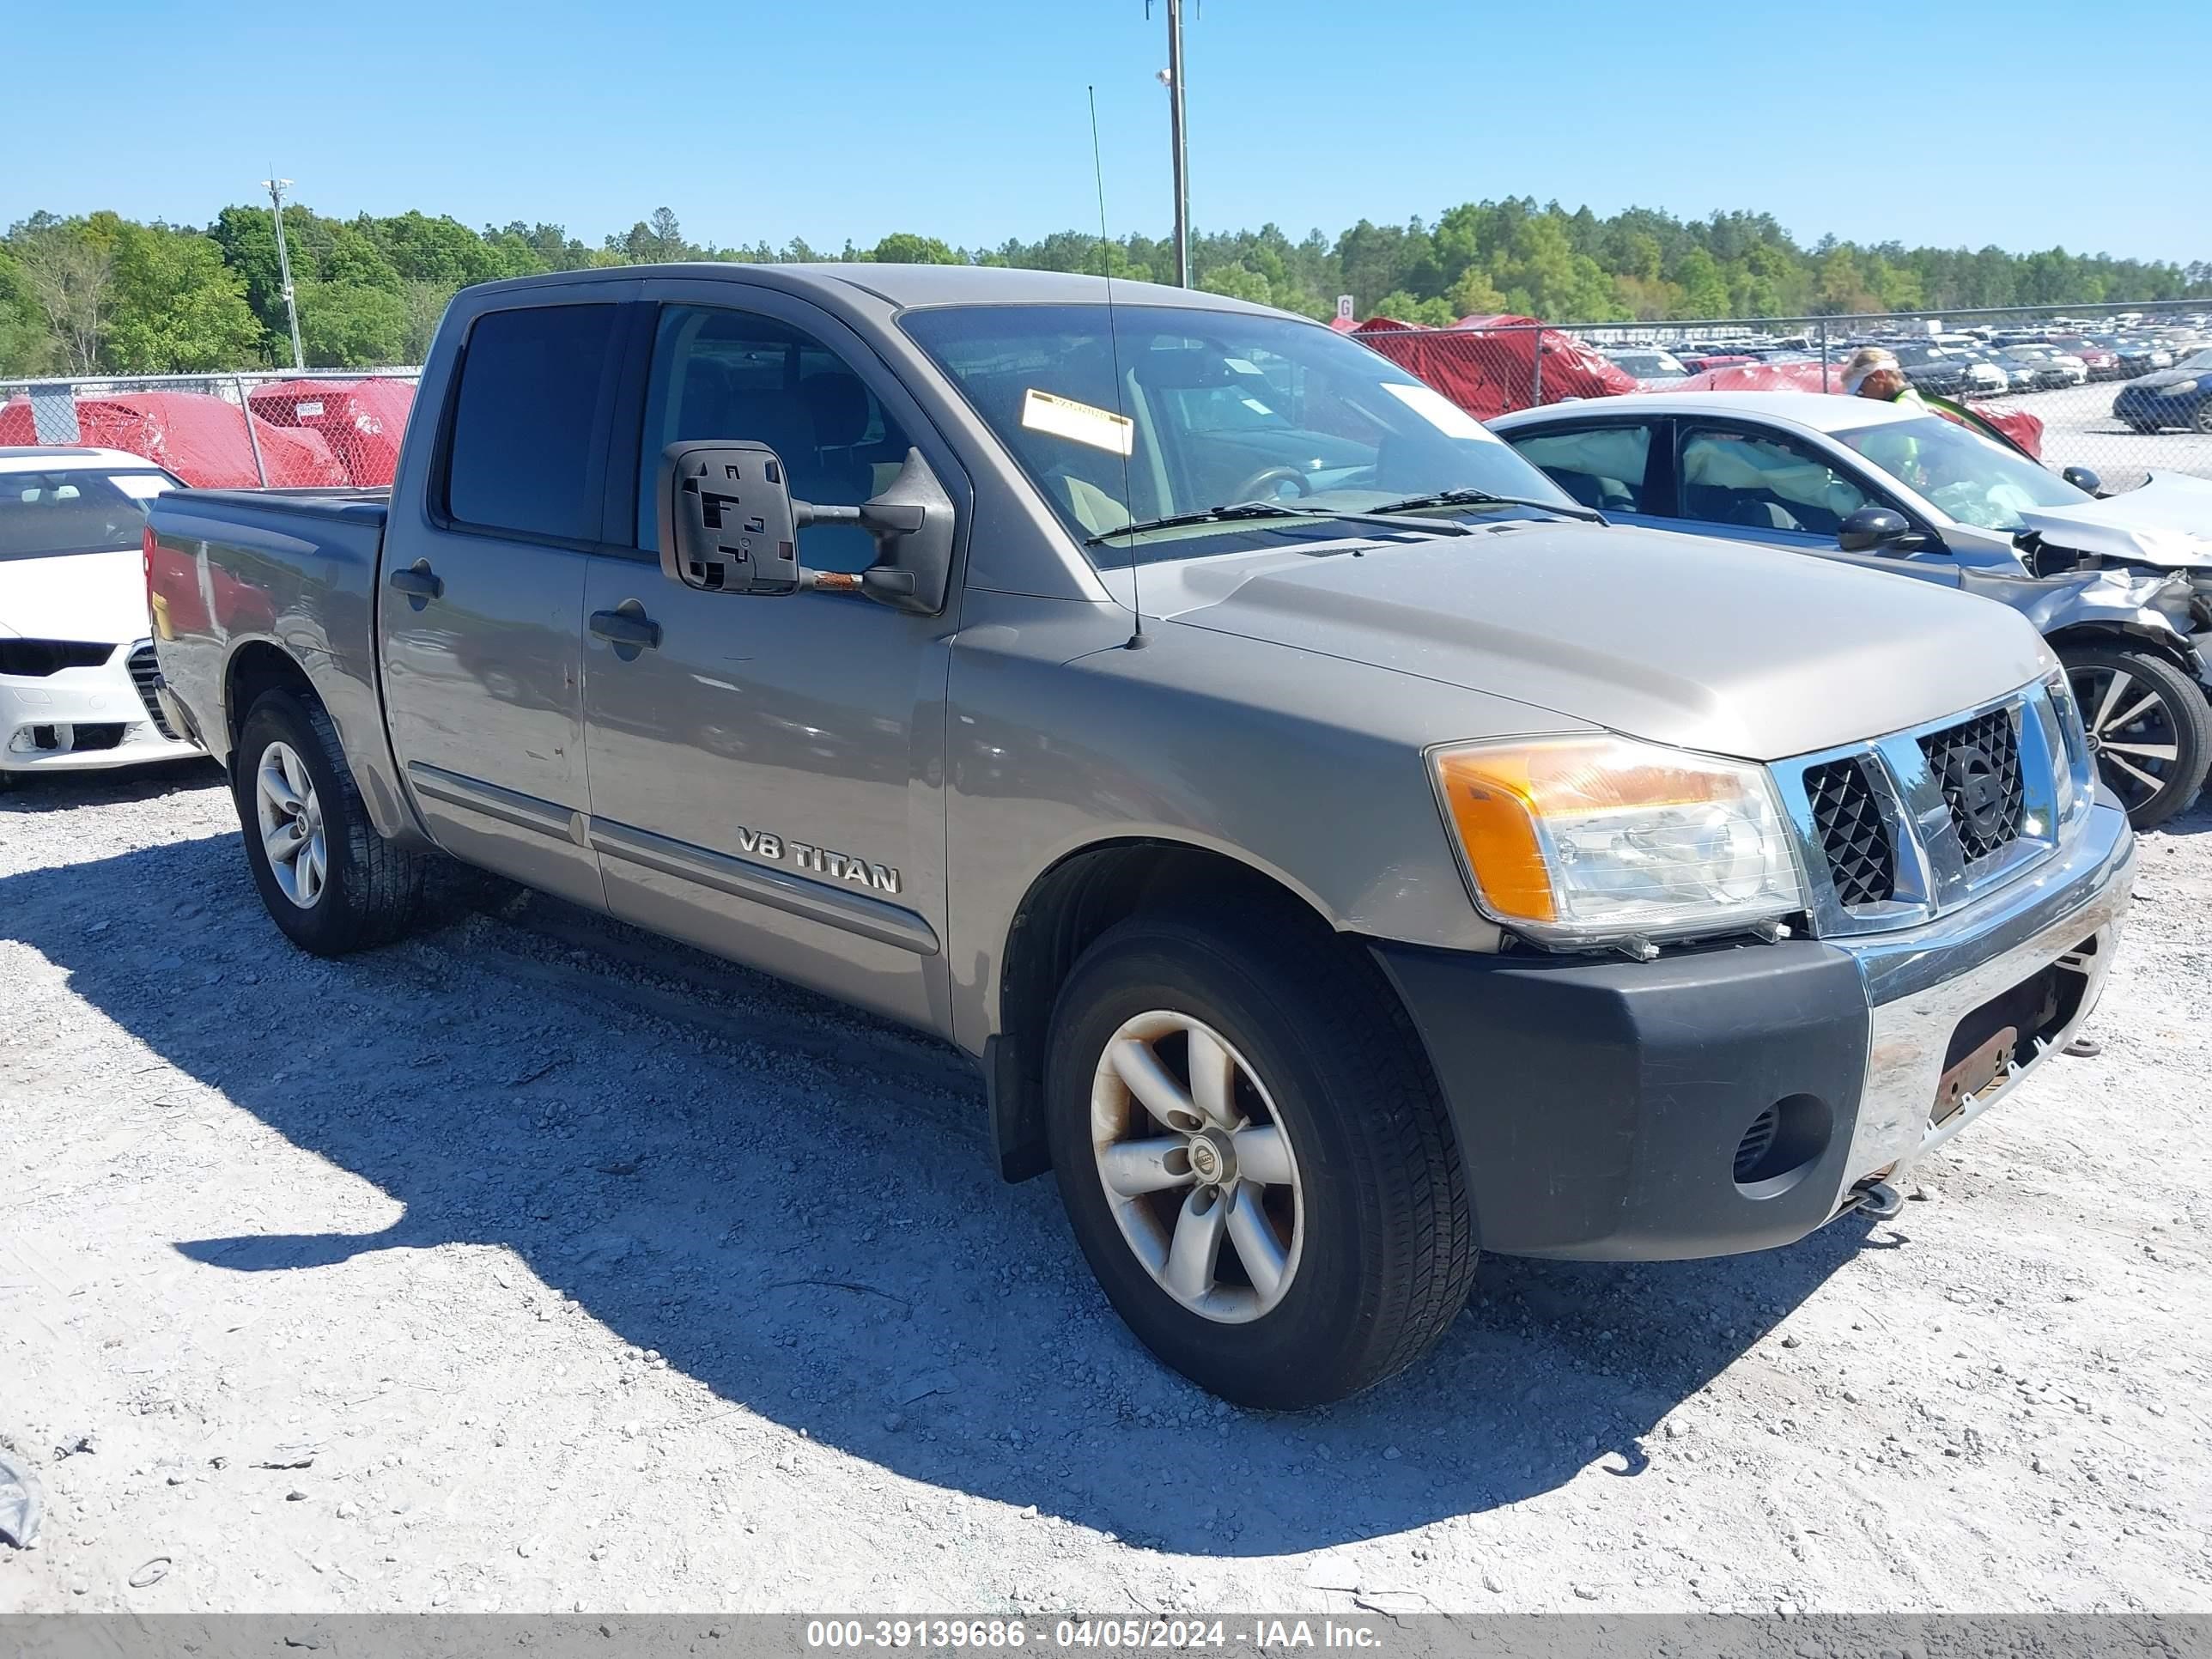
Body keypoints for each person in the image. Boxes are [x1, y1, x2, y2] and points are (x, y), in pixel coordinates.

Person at [1839, 346, 1925, 406]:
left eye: (1861, 390)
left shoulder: (1902, 408)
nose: (1862, 396)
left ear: (1879, 376)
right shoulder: (1906, 399)